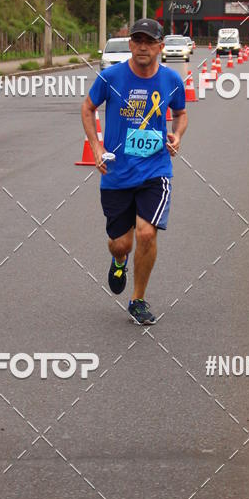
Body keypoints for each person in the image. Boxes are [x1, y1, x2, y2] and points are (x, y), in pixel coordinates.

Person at [81, 18, 188, 325]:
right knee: (121, 243)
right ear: (130, 44)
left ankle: (137, 300)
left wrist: (177, 135)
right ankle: (119, 260)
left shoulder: (171, 80)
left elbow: (181, 113)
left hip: (155, 169)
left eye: (149, 41)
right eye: (137, 40)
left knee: (146, 233)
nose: (142, 46)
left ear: (160, 47)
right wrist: (97, 147)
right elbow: (88, 107)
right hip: (116, 172)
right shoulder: (111, 76)